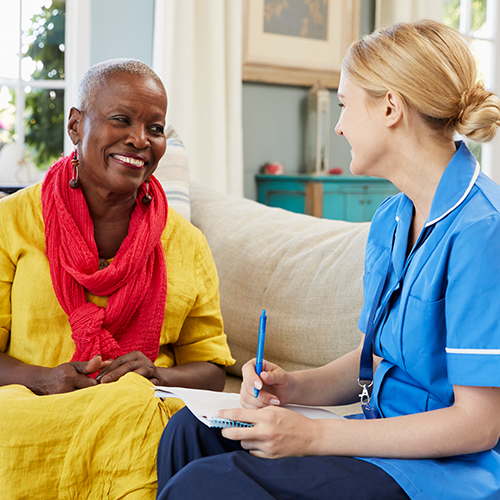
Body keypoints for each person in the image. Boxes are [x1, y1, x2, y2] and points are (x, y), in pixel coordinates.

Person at [155, 19, 500, 500]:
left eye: (343, 105)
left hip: (439, 471)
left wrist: (314, 435)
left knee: (206, 484)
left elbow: (478, 426)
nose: (337, 125)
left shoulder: (483, 230)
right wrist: (292, 388)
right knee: (188, 434)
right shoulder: (393, 219)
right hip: (375, 437)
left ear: (390, 108)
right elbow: (374, 357)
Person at [0, 58, 234, 499]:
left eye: (156, 127)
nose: (140, 140)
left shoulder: (186, 243)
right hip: (29, 408)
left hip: (136, 412)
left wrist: (157, 377)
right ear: (75, 125)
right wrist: (43, 379)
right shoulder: (11, 222)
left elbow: (213, 371)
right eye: (121, 119)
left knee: (137, 414)